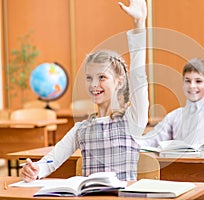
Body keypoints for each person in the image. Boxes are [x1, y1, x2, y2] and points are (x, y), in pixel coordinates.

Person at [20, 0, 149, 182]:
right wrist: (35, 170)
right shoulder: (81, 129)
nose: (93, 84)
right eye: (89, 78)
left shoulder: (133, 120)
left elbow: (138, 77)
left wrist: (139, 25)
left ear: (119, 82)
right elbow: (51, 160)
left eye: (102, 77)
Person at [137, 3, 204, 149]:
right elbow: (150, 141)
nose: (192, 86)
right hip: (183, 169)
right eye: (187, 81)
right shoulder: (175, 116)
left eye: (198, 81)